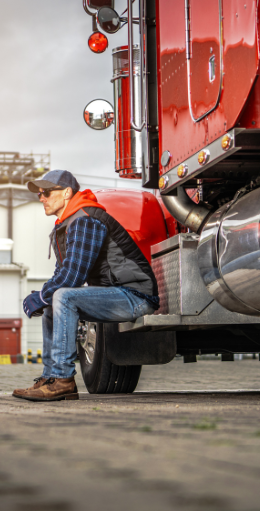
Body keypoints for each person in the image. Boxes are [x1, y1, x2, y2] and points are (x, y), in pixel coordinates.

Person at [14, 170, 159, 401]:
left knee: (61, 296)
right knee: (54, 301)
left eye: (46, 192)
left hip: (135, 296)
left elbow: (72, 277)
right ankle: (51, 377)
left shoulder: (86, 219)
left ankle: (63, 380)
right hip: (112, 294)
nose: (41, 197)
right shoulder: (68, 222)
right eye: (40, 194)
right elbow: (61, 274)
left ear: (66, 193)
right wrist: (44, 296)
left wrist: (42, 296)